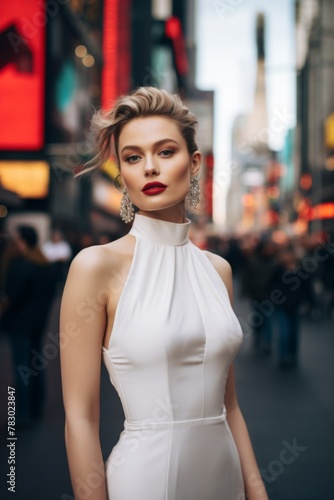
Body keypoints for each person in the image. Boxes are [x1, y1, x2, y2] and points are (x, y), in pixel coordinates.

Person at [60, 87, 268, 500]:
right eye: (133, 157)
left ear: (194, 164)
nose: (149, 168)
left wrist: (257, 492)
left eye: (165, 152)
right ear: (122, 172)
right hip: (147, 482)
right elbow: (80, 417)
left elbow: (229, 408)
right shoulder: (95, 266)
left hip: (225, 480)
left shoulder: (217, 270)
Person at [1, 225, 57, 426]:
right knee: (36, 365)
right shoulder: (46, 265)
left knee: (21, 368)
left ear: (22, 240)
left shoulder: (19, 265)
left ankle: (21, 412)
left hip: (18, 324)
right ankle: (36, 407)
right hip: (38, 323)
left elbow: (11, 295)